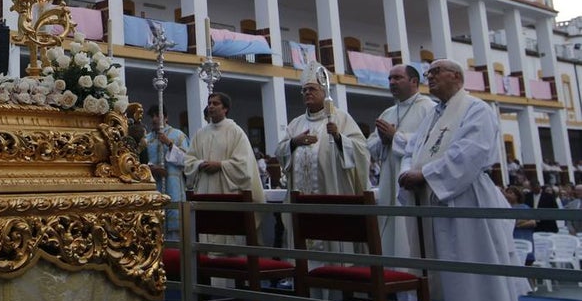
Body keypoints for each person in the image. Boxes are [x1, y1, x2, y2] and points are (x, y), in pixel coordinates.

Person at [398, 59, 527, 301]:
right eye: (427, 73)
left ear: (455, 76)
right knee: (440, 272)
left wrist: (427, 174)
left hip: (465, 200)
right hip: (432, 202)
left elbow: (472, 151)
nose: (429, 77)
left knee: (471, 270)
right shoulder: (432, 115)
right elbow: (412, 149)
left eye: (434, 73)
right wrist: (408, 172)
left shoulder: (476, 109)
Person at [367, 64, 435, 260]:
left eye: (397, 78)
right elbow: (371, 145)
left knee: (411, 237)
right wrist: (383, 139)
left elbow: (430, 144)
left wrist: (396, 136)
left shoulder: (429, 109)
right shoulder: (388, 113)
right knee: (391, 235)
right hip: (389, 181)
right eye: (389, 79)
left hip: (415, 185)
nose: (392, 82)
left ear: (414, 81)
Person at [276, 64, 370, 198]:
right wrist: (293, 143)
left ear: (324, 92)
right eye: (304, 90)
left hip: (333, 193)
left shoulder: (341, 118)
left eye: (312, 89)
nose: (307, 92)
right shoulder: (296, 124)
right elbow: (279, 152)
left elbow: (362, 151)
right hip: (301, 200)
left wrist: (338, 138)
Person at [183, 93, 266, 203]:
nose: (211, 106)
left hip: (227, 192)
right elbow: (189, 160)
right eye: (209, 103)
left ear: (225, 108)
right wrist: (199, 164)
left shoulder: (236, 132)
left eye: (215, 103)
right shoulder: (200, 134)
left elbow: (244, 164)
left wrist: (220, 165)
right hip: (204, 192)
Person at [146, 103, 189, 242]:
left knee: (175, 236)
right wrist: (151, 169)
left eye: (157, 115)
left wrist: (169, 144)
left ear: (166, 117)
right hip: (153, 188)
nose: (154, 119)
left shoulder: (178, 135)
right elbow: (140, 162)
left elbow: (187, 160)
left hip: (173, 188)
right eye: (152, 116)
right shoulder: (146, 139)